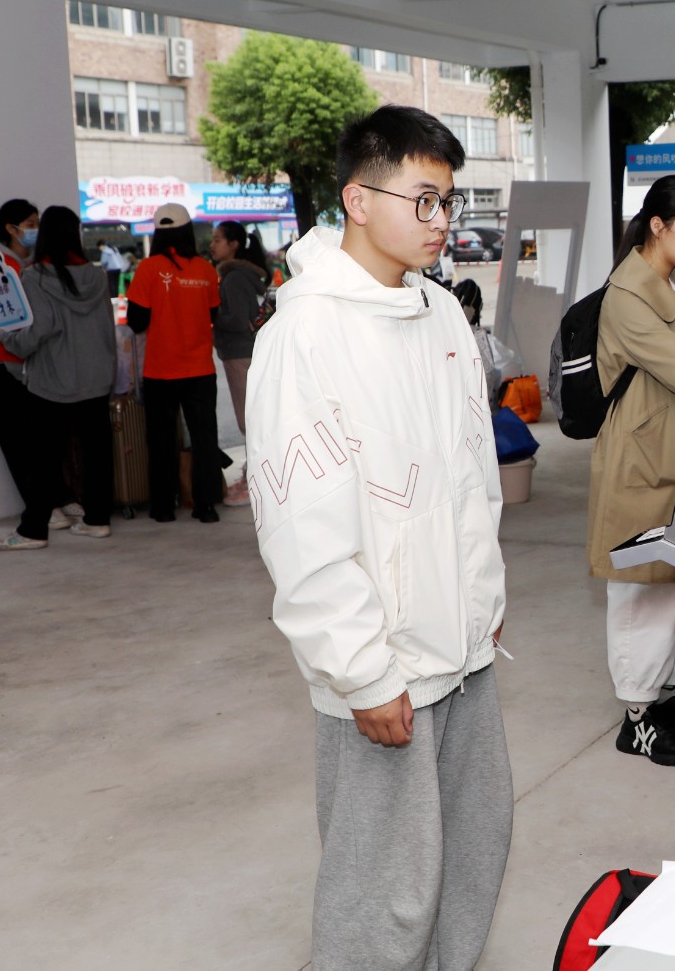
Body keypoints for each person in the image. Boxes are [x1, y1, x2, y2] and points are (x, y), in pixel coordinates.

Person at [245, 105, 512, 970]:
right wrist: (360, 670)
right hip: (385, 665)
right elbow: (302, 528)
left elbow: (472, 477)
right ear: (358, 200)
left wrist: (484, 597)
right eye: (423, 200)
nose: (441, 221)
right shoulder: (305, 333)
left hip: (463, 647)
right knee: (384, 889)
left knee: (472, 848)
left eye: (448, 202)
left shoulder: (440, 314)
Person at [587, 174, 675, 768]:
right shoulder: (628, 294)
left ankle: (672, 692)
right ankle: (636, 716)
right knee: (641, 590)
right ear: (658, 226)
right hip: (640, 459)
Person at [0, 206, 117, 550]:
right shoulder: (96, 276)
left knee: (44, 460)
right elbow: (107, 328)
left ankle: (33, 530)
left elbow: (39, 330)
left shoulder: (35, 277)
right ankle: (98, 520)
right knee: (97, 454)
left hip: (53, 382)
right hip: (96, 377)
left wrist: (6, 338)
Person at [126, 203, 223, 523]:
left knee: (161, 440)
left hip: (160, 370)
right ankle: (206, 505)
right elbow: (213, 313)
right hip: (200, 369)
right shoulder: (205, 269)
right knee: (204, 438)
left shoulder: (148, 268)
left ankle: (163, 506)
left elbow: (136, 321)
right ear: (187, 231)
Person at [0, 199, 54, 525]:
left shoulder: (26, 265)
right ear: (11, 228)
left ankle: (53, 501)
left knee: (35, 440)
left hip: (22, 363)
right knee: (17, 443)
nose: (36, 230)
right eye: (31, 224)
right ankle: (41, 508)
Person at [208, 220, 268, 508]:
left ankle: (255, 483)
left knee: (249, 420)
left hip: (239, 352)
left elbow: (237, 319)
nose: (212, 245)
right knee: (255, 417)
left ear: (233, 244)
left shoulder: (233, 278)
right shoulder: (248, 275)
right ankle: (253, 476)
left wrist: (210, 315)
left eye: (217, 239)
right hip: (250, 350)